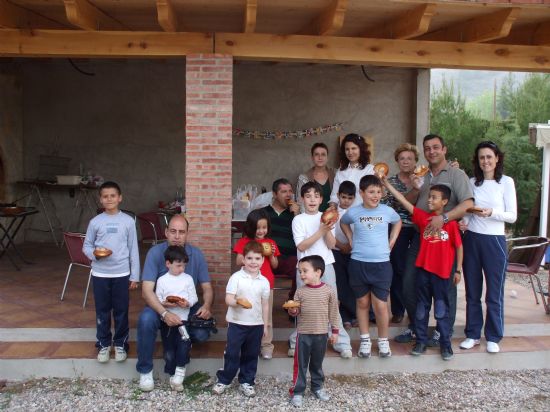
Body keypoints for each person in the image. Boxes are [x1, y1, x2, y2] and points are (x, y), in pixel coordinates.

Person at [395, 134, 473, 347]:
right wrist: (416, 188)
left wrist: (445, 218)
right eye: (427, 148)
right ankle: (416, 327)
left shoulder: (456, 174)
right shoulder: (423, 174)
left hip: (445, 240)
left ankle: (442, 331)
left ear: (444, 149)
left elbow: (467, 203)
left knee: (445, 288)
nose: (431, 151)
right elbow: (407, 203)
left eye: (436, 147)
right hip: (422, 238)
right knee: (409, 283)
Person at [384, 179, 463, 360]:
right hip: (424, 273)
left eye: (434, 197)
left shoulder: (451, 224)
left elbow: (459, 247)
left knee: (442, 310)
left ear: (444, 202)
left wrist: (457, 270)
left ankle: (445, 344)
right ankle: (420, 341)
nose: (429, 200)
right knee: (421, 309)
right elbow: (405, 203)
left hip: (442, 275)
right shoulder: (423, 218)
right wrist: (387, 186)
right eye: (429, 196)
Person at [136, 214, 213, 392]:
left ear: (187, 234)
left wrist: (206, 305)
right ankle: (145, 370)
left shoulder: (196, 254)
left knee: (201, 334)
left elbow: (207, 288)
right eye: (173, 231)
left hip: (187, 304)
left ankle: (178, 348)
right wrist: (164, 313)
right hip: (159, 305)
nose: (177, 236)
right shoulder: (155, 253)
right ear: (166, 232)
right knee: (146, 321)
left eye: (181, 232)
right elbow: (147, 291)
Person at [460, 141, 517, 354]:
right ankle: (473, 334)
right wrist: (464, 220)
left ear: (497, 159)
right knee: (472, 292)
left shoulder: (506, 182)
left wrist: (491, 213)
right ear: (477, 161)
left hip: (495, 242)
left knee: (494, 293)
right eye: (482, 157)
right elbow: (467, 209)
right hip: (472, 240)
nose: (486, 161)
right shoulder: (472, 182)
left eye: (489, 157)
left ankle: (493, 336)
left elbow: (512, 216)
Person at [289, 181, 353, 359]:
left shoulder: (325, 216)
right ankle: (298, 341)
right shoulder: (298, 219)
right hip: (305, 268)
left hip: (326, 265)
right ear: (302, 199)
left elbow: (332, 245)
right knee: (303, 306)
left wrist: (327, 227)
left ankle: (341, 342)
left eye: (316, 196)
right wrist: (321, 229)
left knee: (333, 303)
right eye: (308, 196)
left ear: (321, 199)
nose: (312, 199)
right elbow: (301, 246)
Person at [340, 175, 401, 358]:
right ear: (361, 193)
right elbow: (344, 223)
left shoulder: (387, 211)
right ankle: (365, 340)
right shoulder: (354, 212)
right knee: (362, 302)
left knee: (381, 305)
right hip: (358, 263)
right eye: (371, 192)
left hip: (381, 265)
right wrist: (350, 238)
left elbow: (397, 221)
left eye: (378, 192)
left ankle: (383, 340)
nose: (375, 195)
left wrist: (393, 239)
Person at [83, 181, 140, 364]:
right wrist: (94, 254)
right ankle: (103, 344)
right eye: (105, 196)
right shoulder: (95, 222)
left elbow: (133, 250)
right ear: (101, 199)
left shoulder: (128, 222)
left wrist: (134, 275)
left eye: (113, 196)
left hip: (121, 273)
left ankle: (121, 343)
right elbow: (87, 246)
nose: (109, 199)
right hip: (100, 274)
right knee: (102, 311)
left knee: (122, 311)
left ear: (120, 198)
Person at [212, 241, 270, 398]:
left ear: (263, 260)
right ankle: (224, 379)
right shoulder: (236, 277)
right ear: (243, 259)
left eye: (257, 258)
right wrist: (237, 302)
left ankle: (247, 381)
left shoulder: (264, 282)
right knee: (232, 352)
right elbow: (228, 299)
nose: (253, 262)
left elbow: (265, 305)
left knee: (251, 354)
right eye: (249, 258)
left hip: (256, 324)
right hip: (237, 323)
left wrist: (265, 325)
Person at [288, 255, 340, 408]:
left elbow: (334, 312)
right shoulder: (300, 291)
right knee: (300, 364)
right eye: (300, 271)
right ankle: (297, 391)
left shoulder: (328, 290)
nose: (301, 274)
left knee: (317, 364)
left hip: (321, 335)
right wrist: (293, 311)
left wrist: (335, 332)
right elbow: (295, 311)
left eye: (305, 271)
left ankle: (317, 387)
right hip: (303, 334)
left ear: (318, 272)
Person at [380, 143, 421, 324]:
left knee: (418, 271)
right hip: (399, 229)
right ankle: (398, 309)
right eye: (402, 158)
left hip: (420, 229)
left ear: (416, 161)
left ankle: (417, 311)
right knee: (398, 269)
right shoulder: (391, 182)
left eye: (409, 158)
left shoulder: (423, 179)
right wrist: (414, 190)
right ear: (397, 161)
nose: (406, 161)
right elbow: (394, 206)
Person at [233, 208, 280, 359]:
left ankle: (266, 345)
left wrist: (271, 254)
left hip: (266, 283)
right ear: (251, 227)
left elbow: (275, 265)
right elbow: (238, 261)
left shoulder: (271, 243)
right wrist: (252, 251)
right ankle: (246, 344)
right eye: (258, 227)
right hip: (247, 284)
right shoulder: (244, 242)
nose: (261, 231)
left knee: (267, 315)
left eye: (264, 227)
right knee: (247, 312)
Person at [155, 246, 198, 391]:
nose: (182, 269)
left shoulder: (188, 279)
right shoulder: (162, 280)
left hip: (183, 320)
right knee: (169, 349)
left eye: (184, 265)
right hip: (167, 321)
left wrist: (188, 303)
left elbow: (194, 297)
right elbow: (158, 299)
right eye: (178, 265)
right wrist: (164, 303)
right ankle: (172, 375)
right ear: (168, 263)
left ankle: (180, 372)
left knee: (184, 344)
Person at [262, 178, 299, 296]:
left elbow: (303, 235)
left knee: (301, 268)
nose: (288, 195)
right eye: (284, 192)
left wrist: (297, 215)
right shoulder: (263, 213)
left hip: (288, 259)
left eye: (290, 191)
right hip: (266, 258)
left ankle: (292, 303)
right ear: (274, 194)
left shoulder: (295, 215)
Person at [332, 180, 357, 328]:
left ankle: (355, 314)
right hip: (336, 251)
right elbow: (328, 234)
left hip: (353, 252)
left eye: (349, 198)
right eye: (343, 197)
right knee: (340, 284)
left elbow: (359, 232)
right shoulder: (333, 213)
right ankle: (345, 316)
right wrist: (342, 246)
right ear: (338, 196)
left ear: (354, 198)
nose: (346, 201)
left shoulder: (357, 212)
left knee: (353, 283)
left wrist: (350, 245)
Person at [329, 133, 374, 208]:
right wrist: (332, 210)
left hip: (362, 215)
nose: (350, 152)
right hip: (342, 216)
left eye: (353, 148)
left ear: (361, 149)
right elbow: (334, 197)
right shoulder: (340, 171)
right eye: (347, 149)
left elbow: (374, 196)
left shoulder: (370, 170)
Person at [296, 142, 336, 213]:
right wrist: (308, 219)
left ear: (327, 157)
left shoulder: (335, 174)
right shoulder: (304, 178)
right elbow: (301, 202)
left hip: (332, 218)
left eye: (323, 154)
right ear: (312, 157)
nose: (320, 157)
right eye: (316, 154)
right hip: (311, 219)